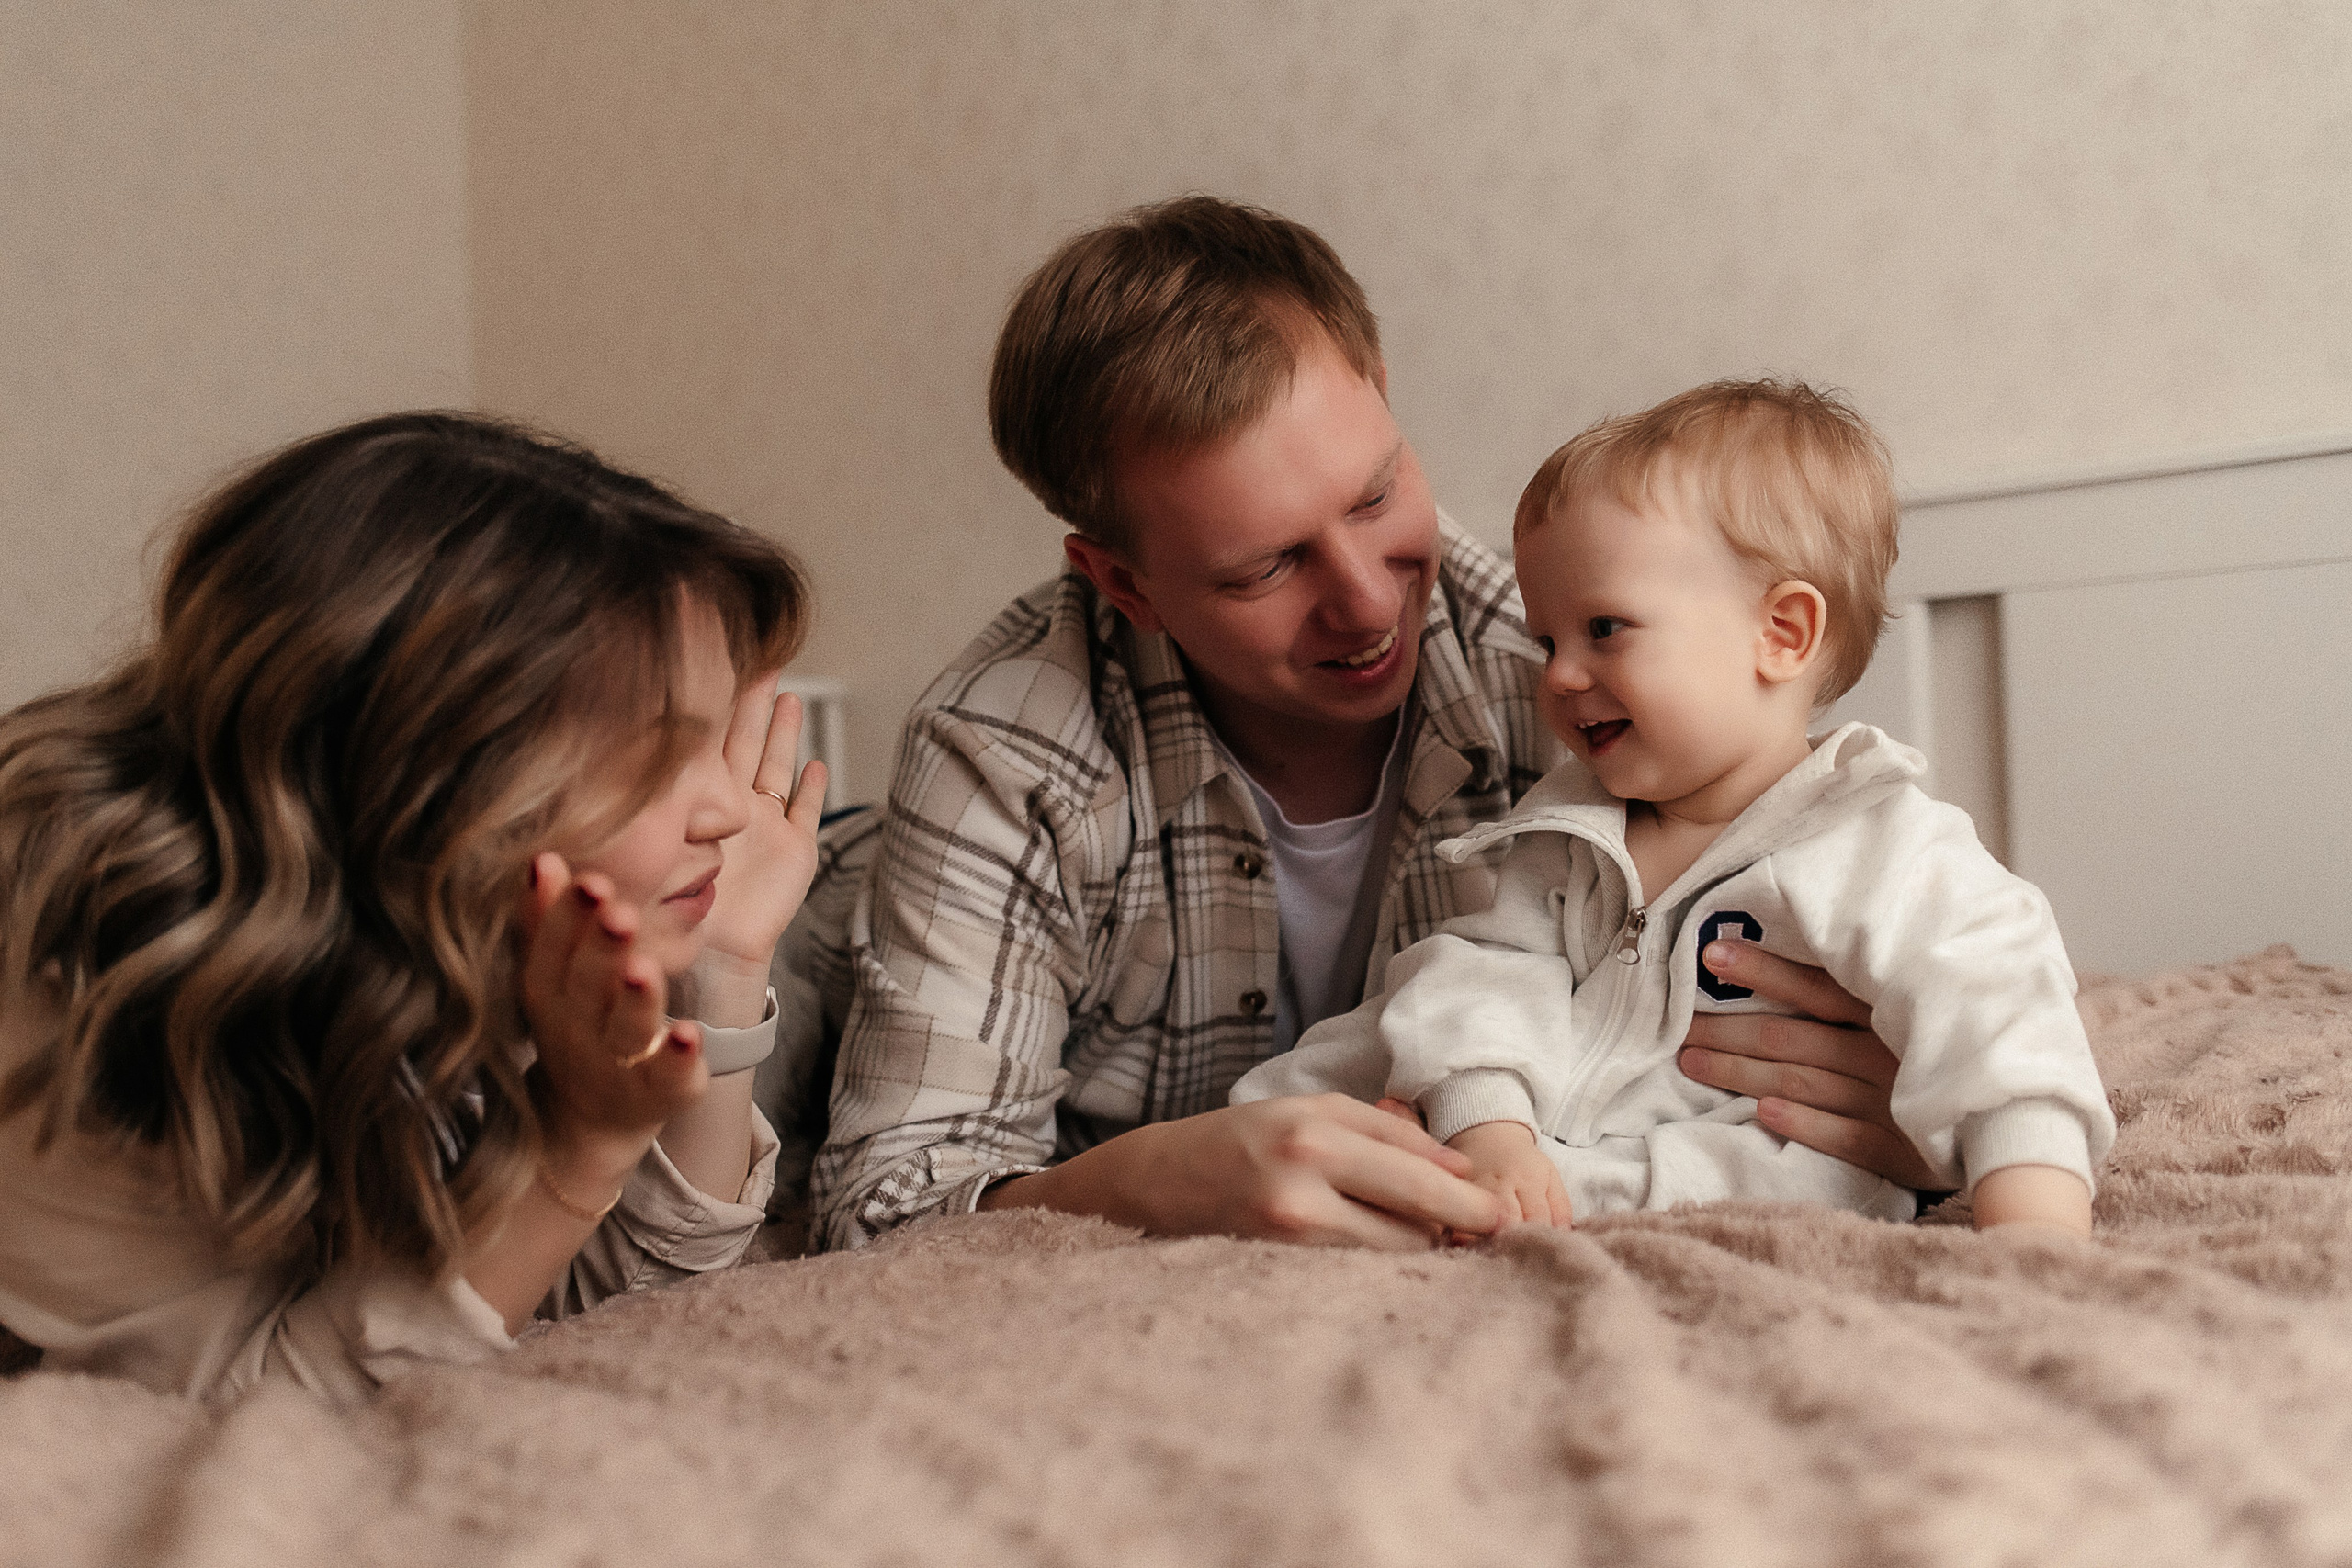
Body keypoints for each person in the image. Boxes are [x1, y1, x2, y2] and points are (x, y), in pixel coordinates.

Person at [808, 197, 1947, 1252]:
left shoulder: (1561, 677)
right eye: (1264, 567)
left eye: (1373, 495)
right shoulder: (1005, 752)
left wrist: (1908, 1113)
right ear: (1125, 584)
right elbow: (881, 1199)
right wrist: (1148, 1177)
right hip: (822, 912)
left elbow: (1890, 957)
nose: (1366, 601)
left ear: (1385, 394)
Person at [0, 412, 830, 1402]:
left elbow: (619, 1306)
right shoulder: (84, 975)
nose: (733, 808)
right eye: (662, 750)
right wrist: (576, 1146)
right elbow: (262, 1406)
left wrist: (723, 972)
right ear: (436, 775)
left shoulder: (462, 915)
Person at [1234, 380, 2114, 1236]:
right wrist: (1489, 1128)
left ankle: (1520, 1197)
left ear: (1782, 634)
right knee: (1399, 1016)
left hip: (1723, 1153)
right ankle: (1246, 1156)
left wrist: (2032, 1228)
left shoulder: (1880, 845)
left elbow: (2003, 1019)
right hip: (1526, 1127)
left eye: (1605, 629)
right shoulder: (1570, 828)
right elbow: (1487, 980)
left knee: (1797, 1171)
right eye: (1549, 640)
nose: (1560, 675)